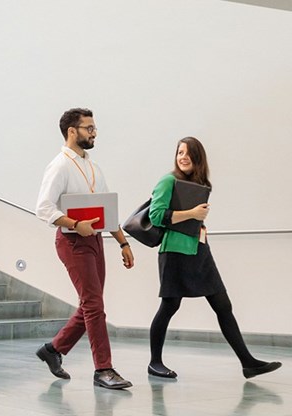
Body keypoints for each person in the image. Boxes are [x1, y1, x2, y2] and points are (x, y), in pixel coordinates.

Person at [147, 136, 282, 379]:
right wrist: (191, 213)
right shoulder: (168, 180)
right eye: (179, 153)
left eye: (188, 153)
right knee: (170, 305)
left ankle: (248, 363)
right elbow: (156, 216)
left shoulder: (200, 184)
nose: (183, 157)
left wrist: (197, 220)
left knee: (223, 305)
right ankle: (155, 362)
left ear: (198, 157)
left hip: (199, 250)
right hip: (175, 252)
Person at [35, 108, 135, 390]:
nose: (94, 133)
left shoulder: (92, 166)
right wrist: (75, 224)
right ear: (72, 131)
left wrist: (123, 241)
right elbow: (43, 208)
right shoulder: (59, 165)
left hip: (94, 240)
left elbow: (108, 210)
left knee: (90, 304)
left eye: (93, 128)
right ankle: (103, 369)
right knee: (94, 305)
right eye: (88, 128)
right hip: (72, 241)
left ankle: (53, 350)